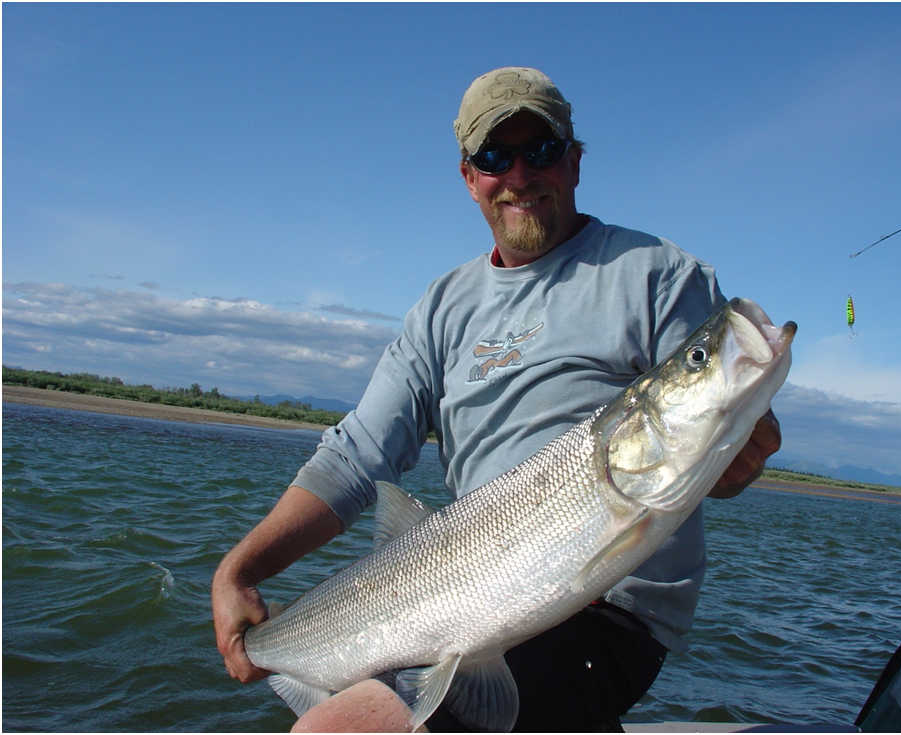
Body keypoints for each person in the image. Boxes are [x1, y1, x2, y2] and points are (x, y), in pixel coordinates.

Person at [212, 66, 782, 732]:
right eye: (493, 156)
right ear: (467, 176)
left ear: (573, 161)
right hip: (454, 600)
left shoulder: (655, 273)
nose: (518, 175)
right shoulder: (441, 309)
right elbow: (358, 454)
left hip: (603, 614)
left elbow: (711, 446)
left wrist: (740, 446)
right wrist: (239, 569)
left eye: (538, 151)